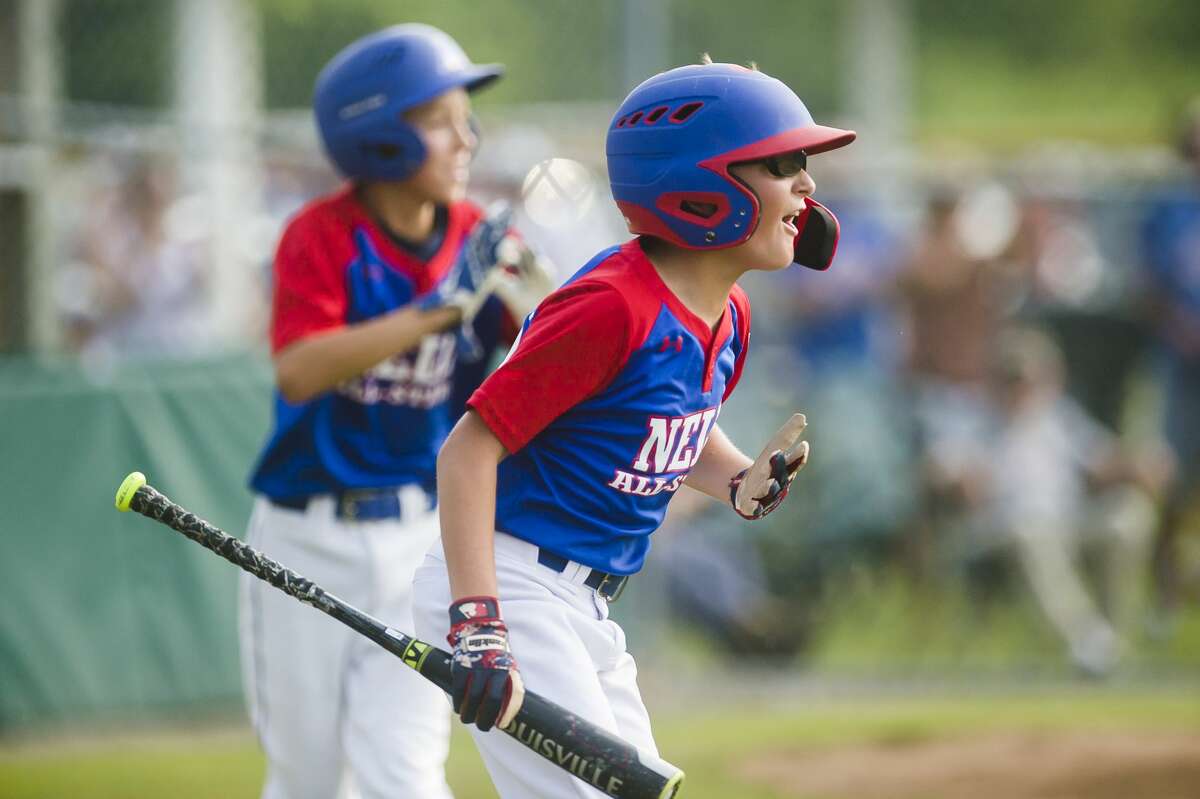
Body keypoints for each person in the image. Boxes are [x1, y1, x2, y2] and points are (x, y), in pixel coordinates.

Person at [412, 59, 855, 797]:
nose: (807, 185)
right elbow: (467, 452)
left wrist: (739, 480)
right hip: (511, 586)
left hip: (585, 604)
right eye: (782, 165)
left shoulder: (729, 314)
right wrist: (479, 621)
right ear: (703, 188)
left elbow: (675, 428)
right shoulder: (611, 305)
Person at [240, 25, 542, 799]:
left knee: (405, 775)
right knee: (308, 779)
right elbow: (300, 370)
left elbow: (539, 365)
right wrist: (438, 308)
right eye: (441, 120)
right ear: (377, 135)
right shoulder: (321, 235)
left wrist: (542, 299)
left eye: (465, 119)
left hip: (419, 538)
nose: (466, 138)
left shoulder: (476, 238)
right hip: (309, 535)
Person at [941, 327, 1163, 677]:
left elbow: (1103, 463)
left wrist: (1139, 466)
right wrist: (963, 482)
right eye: (1011, 379)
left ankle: (1113, 641)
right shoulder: (972, 421)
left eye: (1028, 379)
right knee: (1031, 529)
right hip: (1001, 531)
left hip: (1067, 522)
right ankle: (1086, 640)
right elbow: (943, 473)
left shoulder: (1060, 420)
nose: (1020, 388)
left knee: (1128, 516)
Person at [1141, 97, 1200, 632]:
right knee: (1174, 478)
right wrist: (1181, 329)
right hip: (1183, 363)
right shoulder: (1169, 209)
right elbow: (1150, 287)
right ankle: (1167, 596)